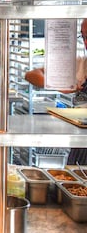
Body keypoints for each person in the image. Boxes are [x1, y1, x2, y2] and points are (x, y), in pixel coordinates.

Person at [24, 18, 87, 164]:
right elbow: (31, 75)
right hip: (81, 143)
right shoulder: (80, 63)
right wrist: (55, 84)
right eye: (83, 37)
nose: (85, 43)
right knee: (76, 181)